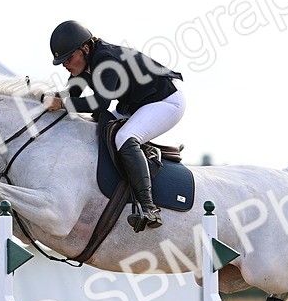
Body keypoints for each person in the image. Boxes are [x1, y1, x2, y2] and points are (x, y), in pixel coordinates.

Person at [43, 20, 185, 232]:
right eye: (62, 61)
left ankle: (149, 207)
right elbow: (69, 96)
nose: (65, 64)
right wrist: (41, 99)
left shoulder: (106, 60)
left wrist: (61, 103)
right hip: (137, 104)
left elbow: (100, 103)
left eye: (68, 58)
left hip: (165, 101)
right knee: (94, 127)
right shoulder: (83, 65)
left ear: (85, 48)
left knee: (124, 138)